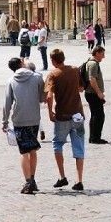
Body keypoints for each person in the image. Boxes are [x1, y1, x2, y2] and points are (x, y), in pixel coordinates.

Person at [1, 56, 46, 194]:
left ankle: (28, 181)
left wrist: (5, 121)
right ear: (22, 63)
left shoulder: (11, 81)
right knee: (33, 149)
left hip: (19, 119)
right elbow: (42, 98)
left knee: (24, 151)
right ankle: (32, 179)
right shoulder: (37, 77)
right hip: (34, 118)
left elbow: (7, 103)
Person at [44, 48, 86, 191]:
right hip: (78, 115)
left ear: (53, 60)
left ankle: (62, 177)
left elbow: (49, 96)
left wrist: (50, 112)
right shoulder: (75, 70)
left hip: (62, 116)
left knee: (57, 144)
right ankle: (79, 180)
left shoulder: (53, 75)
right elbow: (81, 88)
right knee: (79, 147)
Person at [82, 46, 107, 144]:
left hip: (91, 93)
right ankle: (95, 138)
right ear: (97, 53)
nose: (103, 57)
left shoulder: (90, 62)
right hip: (93, 94)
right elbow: (92, 79)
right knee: (99, 116)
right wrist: (99, 93)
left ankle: (93, 137)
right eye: (102, 54)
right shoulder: (93, 64)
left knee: (95, 115)